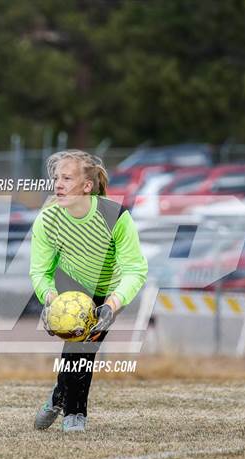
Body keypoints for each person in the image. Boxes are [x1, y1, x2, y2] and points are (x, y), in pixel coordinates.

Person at [29, 149, 148, 432]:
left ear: (86, 186)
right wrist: (50, 301)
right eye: (57, 178)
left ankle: (67, 406)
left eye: (67, 178)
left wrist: (112, 304)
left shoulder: (115, 216)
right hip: (68, 286)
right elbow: (40, 271)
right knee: (79, 345)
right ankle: (70, 409)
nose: (58, 184)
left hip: (107, 291)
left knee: (84, 347)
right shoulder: (47, 220)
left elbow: (135, 270)